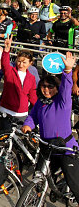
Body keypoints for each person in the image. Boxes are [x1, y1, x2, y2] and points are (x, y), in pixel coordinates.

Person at [21, 52, 79, 203]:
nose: (46, 90)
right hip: (47, 147)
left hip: (65, 148)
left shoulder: (63, 101)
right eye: (43, 86)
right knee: (38, 179)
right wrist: (28, 125)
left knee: (74, 183)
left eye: (50, 87)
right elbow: (33, 116)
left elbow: (67, 87)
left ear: (56, 88)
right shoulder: (41, 103)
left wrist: (67, 71)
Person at [0, 35, 37, 130]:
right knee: (4, 139)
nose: (21, 64)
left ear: (30, 63)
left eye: (24, 62)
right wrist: (6, 50)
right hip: (6, 110)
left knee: (18, 139)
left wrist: (40, 108)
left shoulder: (31, 77)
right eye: (19, 61)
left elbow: (32, 96)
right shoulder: (10, 71)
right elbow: (4, 63)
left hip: (22, 112)